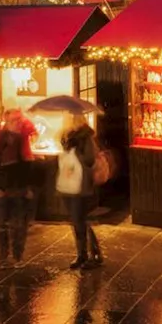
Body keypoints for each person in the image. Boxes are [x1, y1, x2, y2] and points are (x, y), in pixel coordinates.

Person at [0, 108, 36, 269]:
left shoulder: (22, 138)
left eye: (19, 120)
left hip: (19, 188)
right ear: (7, 121)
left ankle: (18, 256)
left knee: (19, 224)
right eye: (14, 120)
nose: (17, 123)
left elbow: (27, 165)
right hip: (4, 188)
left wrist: (28, 187)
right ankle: (2, 258)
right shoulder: (0, 138)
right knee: (2, 224)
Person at [60, 112, 103, 270]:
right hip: (69, 183)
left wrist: (75, 154)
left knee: (80, 219)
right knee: (77, 220)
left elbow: (90, 159)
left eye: (72, 117)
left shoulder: (86, 137)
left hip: (82, 184)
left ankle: (91, 254)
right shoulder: (67, 137)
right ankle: (83, 253)